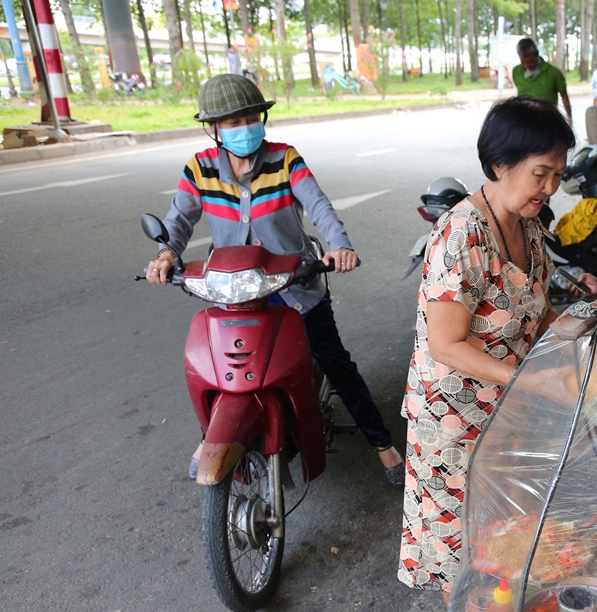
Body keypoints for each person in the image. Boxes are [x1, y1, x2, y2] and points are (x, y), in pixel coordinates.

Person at [400, 97, 597, 612]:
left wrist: (582, 328)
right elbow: (446, 342)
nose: (550, 188)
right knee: (460, 537)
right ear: (499, 165)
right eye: (541, 173)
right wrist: (527, 381)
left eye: (558, 175)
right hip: (453, 418)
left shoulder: (529, 228)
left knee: (503, 531)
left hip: (503, 410)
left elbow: (532, 310)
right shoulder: (461, 234)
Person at [145, 74, 405, 485]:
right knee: (220, 368)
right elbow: (179, 220)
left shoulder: (286, 159)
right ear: (214, 128)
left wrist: (339, 245)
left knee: (335, 362)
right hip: (233, 293)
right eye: (231, 122)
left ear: (262, 119)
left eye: (250, 118)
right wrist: (165, 254)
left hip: (295, 285)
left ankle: (383, 445)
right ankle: (209, 436)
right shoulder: (199, 168)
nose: (242, 127)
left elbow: (318, 206)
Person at [511, 38, 573, 123]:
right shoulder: (516, 72)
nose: (527, 66)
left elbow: (564, 97)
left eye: (531, 62)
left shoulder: (554, 73)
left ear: (537, 55)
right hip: (524, 121)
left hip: (548, 120)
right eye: (523, 62)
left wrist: (569, 119)